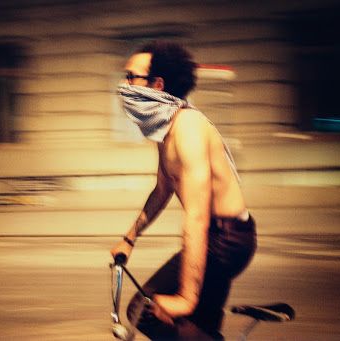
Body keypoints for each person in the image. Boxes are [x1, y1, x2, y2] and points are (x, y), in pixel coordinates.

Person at [110, 41, 257, 340]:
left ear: (157, 84)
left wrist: (185, 297)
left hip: (227, 240)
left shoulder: (188, 128)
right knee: (198, 327)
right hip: (221, 237)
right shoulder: (166, 130)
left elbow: (197, 217)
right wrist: (129, 238)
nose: (124, 86)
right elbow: (162, 190)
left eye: (131, 77)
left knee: (144, 310)